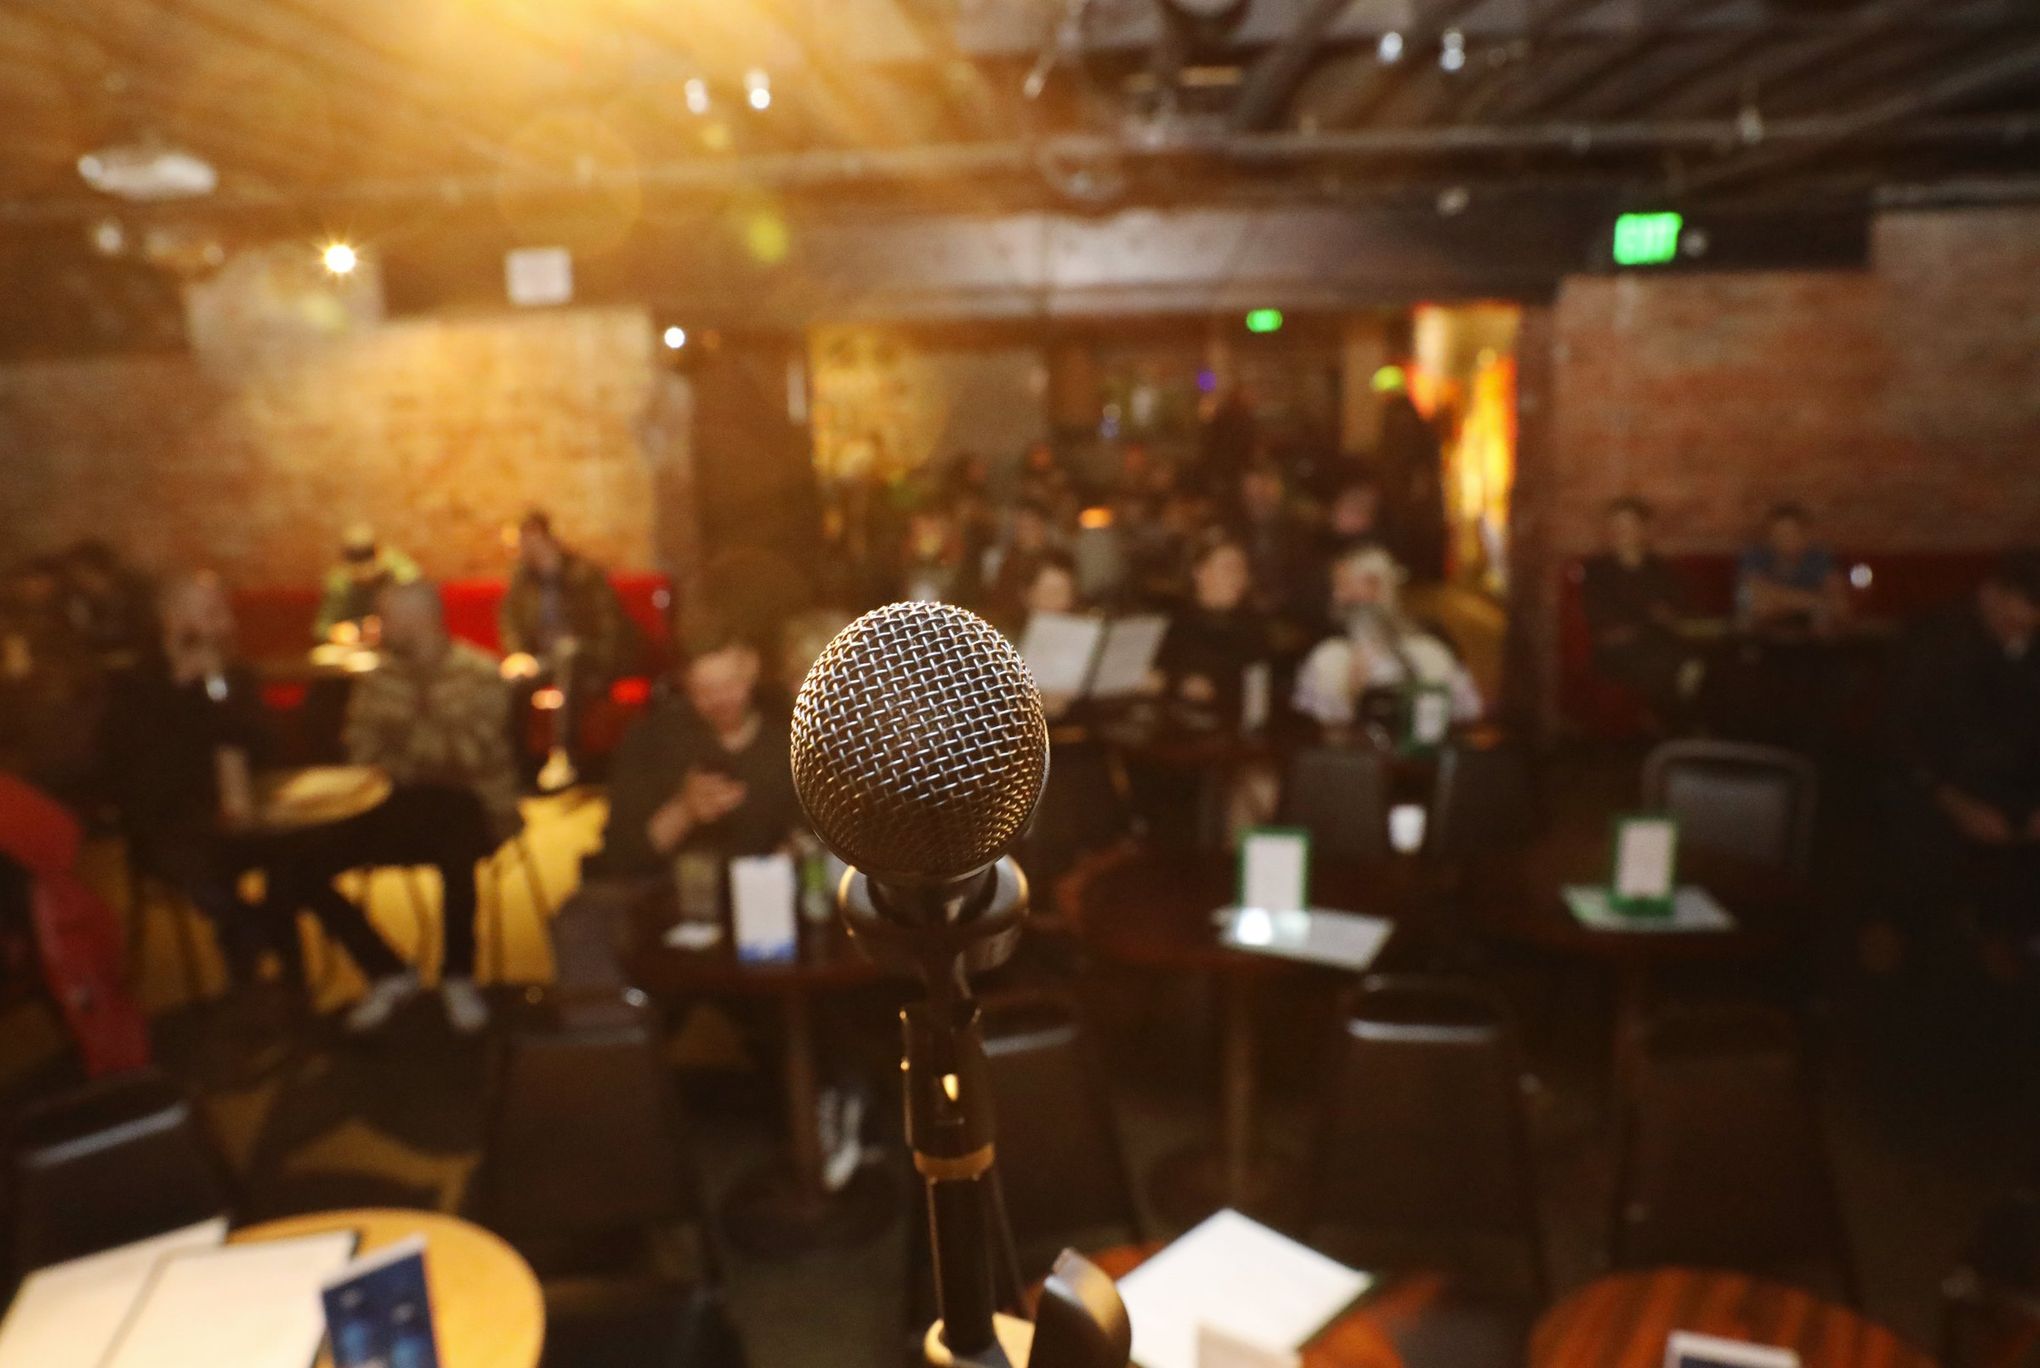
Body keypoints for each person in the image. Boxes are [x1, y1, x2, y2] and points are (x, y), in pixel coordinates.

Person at [275, 580, 524, 1034]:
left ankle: (458, 974)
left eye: (385, 618)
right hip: (396, 804)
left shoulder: (480, 673)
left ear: (416, 620)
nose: (378, 627)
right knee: (302, 865)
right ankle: (387, 970)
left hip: (475, 806)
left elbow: (473, 753)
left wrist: (405, 747)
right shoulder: (378, 678)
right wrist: (427, 746)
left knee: (458, 840)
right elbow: (363, 752)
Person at [105, 572, 280, 983]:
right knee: (209, 874)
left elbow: (265, 748)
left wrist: (218, 695)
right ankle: (252, 974)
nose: (226, 626)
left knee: (296, 860)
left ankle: (287, 983)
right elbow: (133, 768)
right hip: (169, 827)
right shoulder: (134, 684)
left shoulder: (232, 678)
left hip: (237, 820)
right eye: (212, 614)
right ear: (173, 620)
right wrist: (181, 688)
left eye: (224, 614)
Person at [1883, 554, 2040, 974]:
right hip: (1938, 782)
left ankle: (2008, 936)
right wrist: (1954, 802)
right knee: (1915, 830)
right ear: (1990, 595)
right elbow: (1901, 738)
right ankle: (1898, 932)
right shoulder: (1934, 639)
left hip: (2017, 784)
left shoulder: (2030, 642)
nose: (2018, 634)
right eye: (2013, 622)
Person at [598, 620, 801, 878]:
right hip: (673, 907)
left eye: (730, 685)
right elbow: (617, 860)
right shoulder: (653, 741)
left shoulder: (790, 737)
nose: (720, 701)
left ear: (752, 667)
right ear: (686, 684)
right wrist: (684, 810)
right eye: (705, 691)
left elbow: (815, 836)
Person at [498, 511, 631, 793]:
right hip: (546, 662)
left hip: (590, 659)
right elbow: (510, 623)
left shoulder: (584, 573)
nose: (525, 549)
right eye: (522, 543)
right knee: (515, 680)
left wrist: (605, 666)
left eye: (530, 540)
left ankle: (564, 756)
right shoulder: (522, 579)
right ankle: (517, 770)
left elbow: (609, 627)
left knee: (568, 652)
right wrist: (518, 654)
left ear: (547, 538)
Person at [1293, 545, 1481, 733]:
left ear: (1374, 585)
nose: (1337, 595)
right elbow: (1306, 720)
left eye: (1344, 585)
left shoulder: (1430, 645)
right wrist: (1349, 688)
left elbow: (1468, 710)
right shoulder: (1327, 651)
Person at [1579, 497, 1705, 725]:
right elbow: (1604, 624)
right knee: (1664, 665)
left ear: (1643, 530)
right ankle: (1675, 731)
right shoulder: (1598, 572)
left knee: (1696, 661)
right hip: (1618, 654)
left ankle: (1682, 731)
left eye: (1628, 526)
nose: (1621, 532)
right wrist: (1650, 619)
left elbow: (1682, 613)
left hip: (1663, 645)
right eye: (1615, 526)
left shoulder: (1660, 569)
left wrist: (1666, 619)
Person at [1154, 534, 1271, 730]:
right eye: (1228, 569)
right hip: (1174, 728)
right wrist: (1177, 684)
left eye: (1242, 570)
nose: (1238, 578)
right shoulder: (1172, 623)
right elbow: (1157, 676)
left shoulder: (1252, 627)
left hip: (1231, 732)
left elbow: (1254, 687)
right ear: (1199, 572)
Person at [1737, 503, 1848, 637]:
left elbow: (1840, 607)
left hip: (1811, 641)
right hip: (1764, 639)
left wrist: (1779, 601)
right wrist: (1813, 602)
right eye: (1779, 534)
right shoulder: (1756, 556)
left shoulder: (1819, 557)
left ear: (1806, 535)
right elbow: (1756, 604)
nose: (1785, 539)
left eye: (1793, 533)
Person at [314, 524, 420, 644]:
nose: (366, 578)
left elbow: (420, 618)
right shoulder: (340, 583)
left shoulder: (402, 574)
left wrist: (387, 626)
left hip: (398, 647)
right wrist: (338, 632)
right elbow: (321, 628)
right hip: (356, 652)